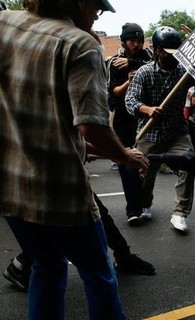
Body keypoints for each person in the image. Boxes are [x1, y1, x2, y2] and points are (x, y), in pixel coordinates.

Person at [0, 1, 150, 319]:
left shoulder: (5, 24)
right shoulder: (80, 44)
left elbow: (53, 128)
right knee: (99, 274)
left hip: (10, 189)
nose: (98, 13)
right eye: (96, 5)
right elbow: (92, 127)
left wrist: (95, 150)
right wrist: (124, 155)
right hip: (60, 195)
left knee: (47, 265)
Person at [4, 192, 156, 291]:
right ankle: (21, 265)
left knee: (48, 260)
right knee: (59, 261)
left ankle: (123, 255)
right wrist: (123, 156)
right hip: (47, 175)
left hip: (30, 177)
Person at [125, 26, 195, 233]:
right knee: (146, 174)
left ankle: (180, 213)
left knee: (188, 165)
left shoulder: (184, 72)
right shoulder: (145, 72)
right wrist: (147, 109)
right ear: (157, 50)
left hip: (177, 132)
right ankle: (145, 203)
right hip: (150, 133)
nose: (173, 57)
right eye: (168, 52)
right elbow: (130, 101)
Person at [107, 22, 154, 226]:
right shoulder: (115, 62)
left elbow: (153, 63)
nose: (136, 44)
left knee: (146, 162)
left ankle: (145, 202)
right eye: (131, 40)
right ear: (124, 41)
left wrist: (132, 63)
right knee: (126, 163)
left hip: (143, 117)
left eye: (139, 40)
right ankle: (132, 209)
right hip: (123, 120)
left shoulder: (147, 57)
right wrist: (130, 79)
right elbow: (115, 92)